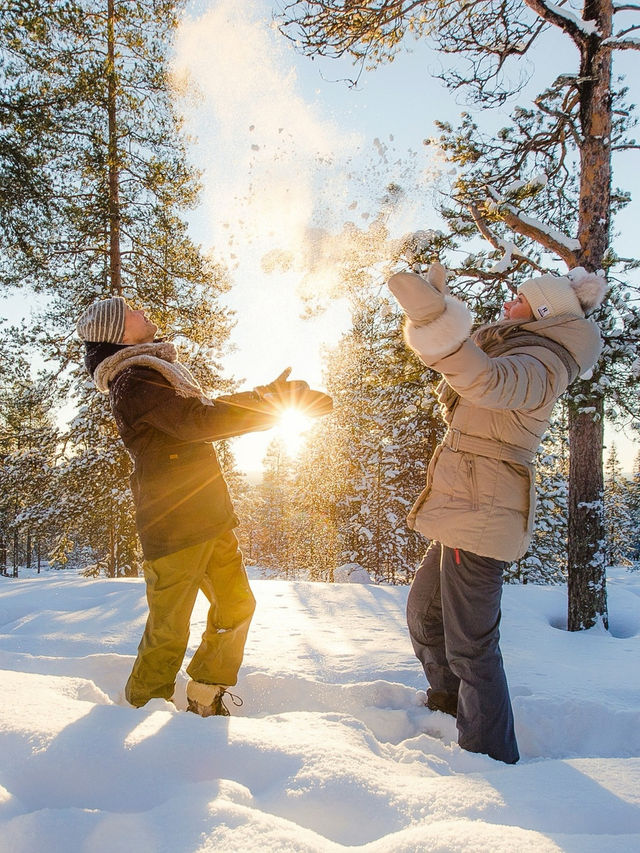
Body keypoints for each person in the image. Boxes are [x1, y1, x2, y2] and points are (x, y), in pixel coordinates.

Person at [387, 261, 606, 763]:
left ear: (543, 311)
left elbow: (485, 382)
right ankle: (448, 708)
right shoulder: (524, 346)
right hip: (465, 504)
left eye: (520, 299)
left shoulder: (542, 363)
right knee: (426, 615)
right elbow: (464, 375)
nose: (509, 304)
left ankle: (490, 756)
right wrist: (438, 318)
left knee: (471, 645)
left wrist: (434, 324)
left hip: (483, 511)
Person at [76, 296, 331, 717]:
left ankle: (205, 694)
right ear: (121, 333)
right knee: (169, 630)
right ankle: (140, 708)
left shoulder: (151, 372)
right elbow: (198, 421)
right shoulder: (134, 380)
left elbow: (201, 411)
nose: (144, 311)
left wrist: (266, 396)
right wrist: (272, 406)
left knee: (236, 606)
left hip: (208, 516)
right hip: (173, 525)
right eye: (133, 311)